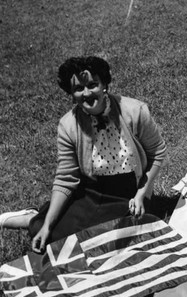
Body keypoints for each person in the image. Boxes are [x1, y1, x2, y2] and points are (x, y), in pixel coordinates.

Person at [0, 56, 167, 253]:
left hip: (130, 193)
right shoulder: (68, 125)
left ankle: (39, 217)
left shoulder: (135, 111)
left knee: (110, 242)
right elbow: (65, 179)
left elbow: (158, 152)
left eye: (93, 85)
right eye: (79, 88)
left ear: (104, 85)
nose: (87, 93)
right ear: (71, 94)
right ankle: (36, 219)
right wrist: (47, 227)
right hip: (92, 192)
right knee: (53, 238)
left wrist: (141, 194)